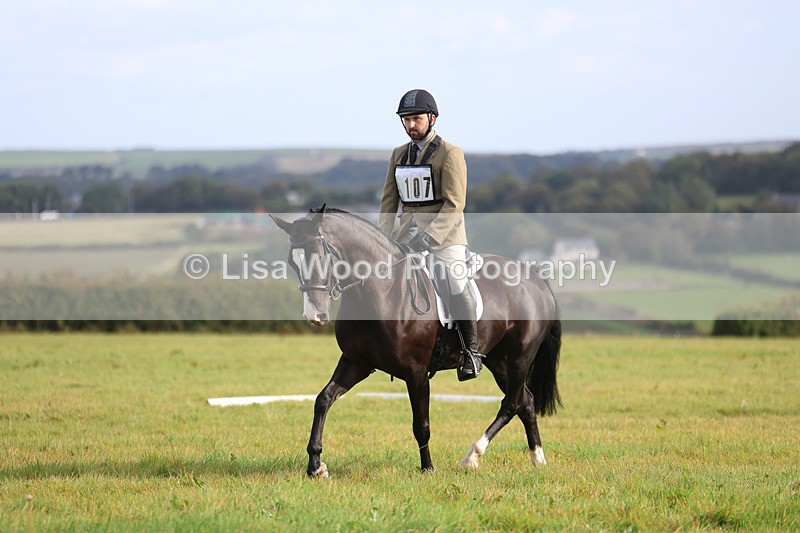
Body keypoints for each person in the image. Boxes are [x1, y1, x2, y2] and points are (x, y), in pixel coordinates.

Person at [377, 89, 483, 381]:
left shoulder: (450, 153)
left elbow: (455, 203)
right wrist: (381, 239)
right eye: (406, 120)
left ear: (432, 118)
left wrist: (430, 237)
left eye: (416, 119)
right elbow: (389, 201)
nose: (411, 125)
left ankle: (471, 351)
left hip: (444, 237)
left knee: (455, 280)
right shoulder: (399, 154)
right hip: (404, 235)